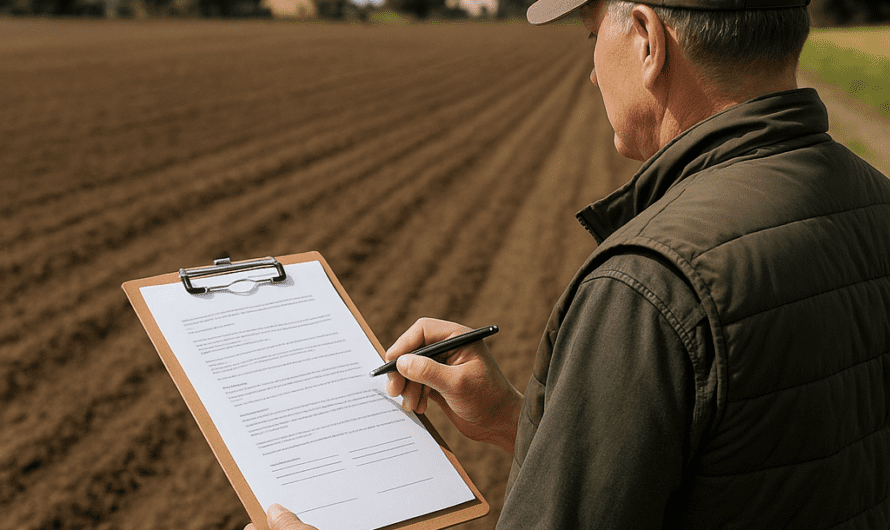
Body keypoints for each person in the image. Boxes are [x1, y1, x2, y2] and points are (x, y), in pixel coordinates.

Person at [247, 0, 890, 528]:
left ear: (647, 40)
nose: (591, 74)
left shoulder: (651, 283)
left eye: (591, 35)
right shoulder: (874, 199)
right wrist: (514, 421)